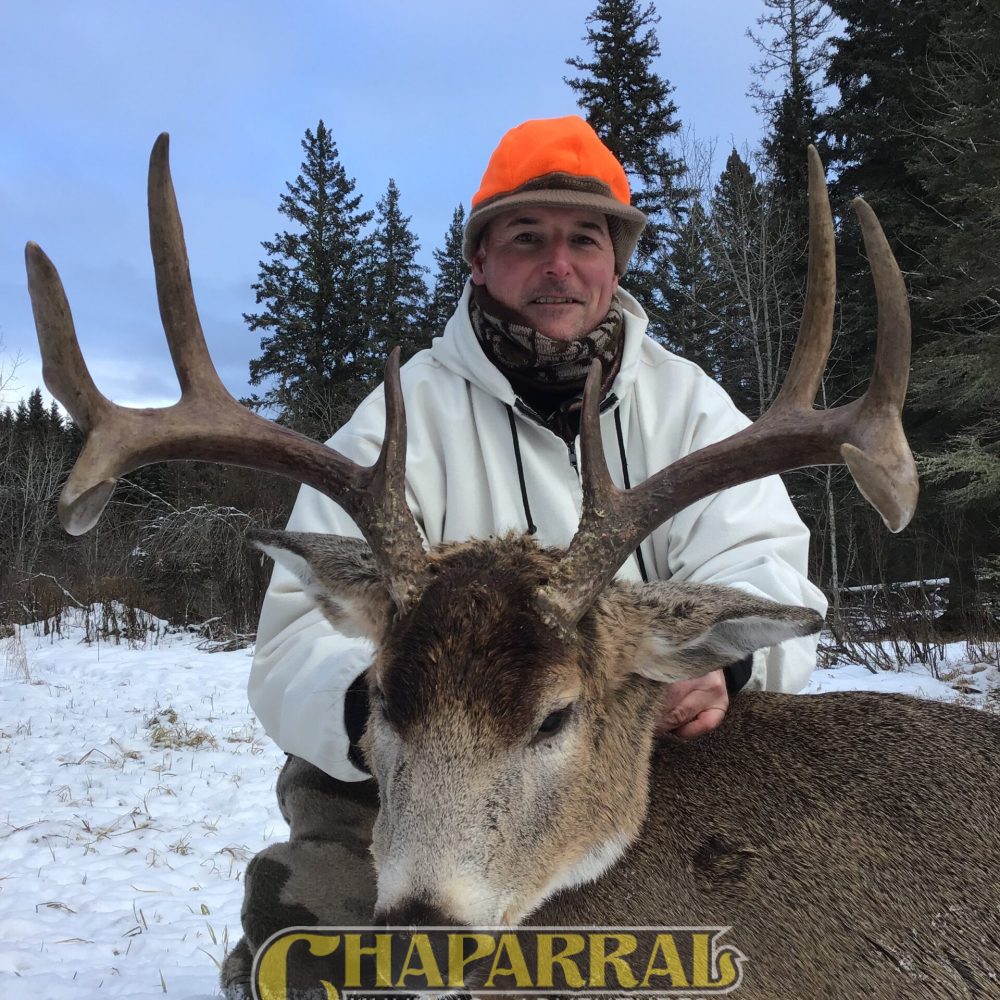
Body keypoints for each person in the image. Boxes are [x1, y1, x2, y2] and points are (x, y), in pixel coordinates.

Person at [222, 113, 827, 997]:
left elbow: (767, 575)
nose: (559, 265)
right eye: (526, 238)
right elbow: (289, 651)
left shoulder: (689, 410)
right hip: (408, 774)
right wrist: (382, 705)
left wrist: (721, 677)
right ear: (479, 260)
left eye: (585, 238)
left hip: (614, 754)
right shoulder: (401, 419)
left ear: (615, 260)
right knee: (313, 960)